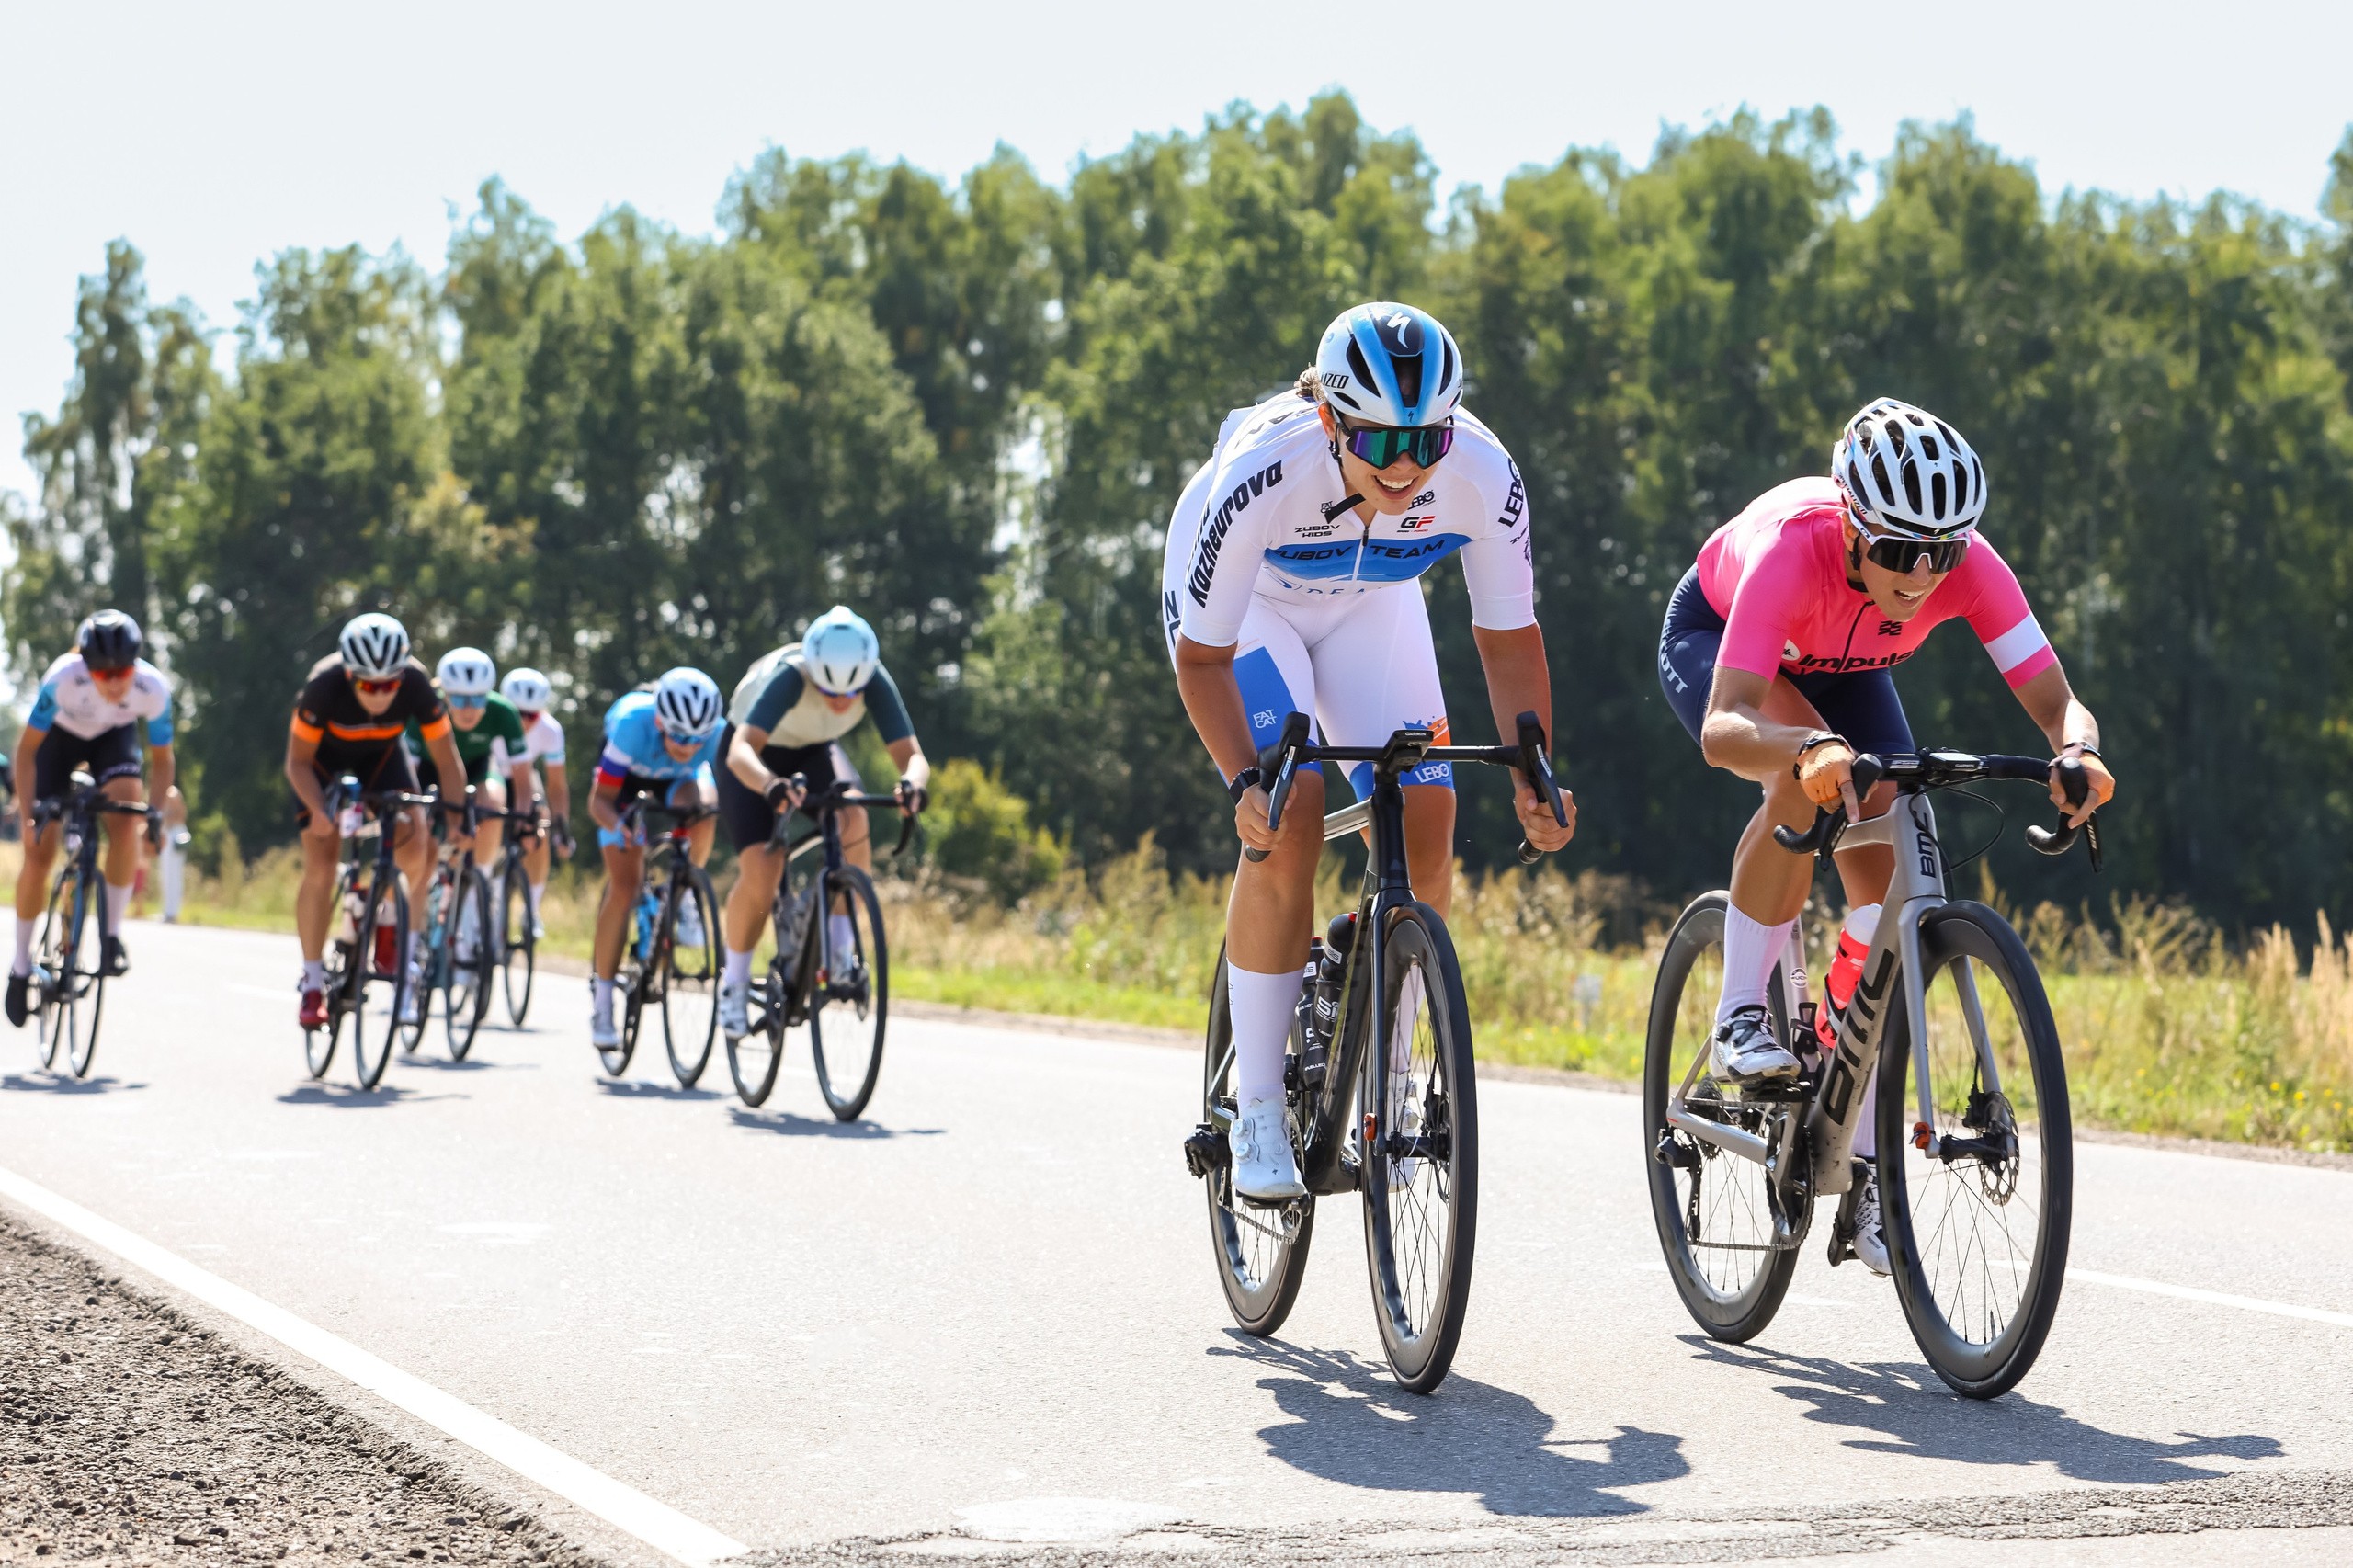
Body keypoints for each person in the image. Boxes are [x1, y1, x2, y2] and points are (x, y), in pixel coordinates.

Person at [1657, 396, 2117, 1274]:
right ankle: (1741, 1015)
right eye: (1903, 552)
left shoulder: (1967, 566)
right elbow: (1726, 727)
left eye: (1940, 555)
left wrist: (2077, 750)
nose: (1922, 575)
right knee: (1807, 792)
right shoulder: (1797, 549)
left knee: (1894, 847)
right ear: (1854, 529)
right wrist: (1807, 746)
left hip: (1851, 669)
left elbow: (2057, 700)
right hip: (1727, 652)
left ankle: (1862, 1152)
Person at [1163, 302, 1575, 1200]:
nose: (1402, 465)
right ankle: (1260, 1105)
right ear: (1329, 421)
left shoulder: (1481, 471)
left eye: (1424, 442)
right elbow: (1201, 658)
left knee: (1428, 822)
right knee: (1292, 814)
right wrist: (1244, 779)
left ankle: (1377, 1065)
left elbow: (1508, 637)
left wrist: (1532, 770)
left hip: (1370, 600)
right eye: (1378, 440)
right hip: (1249, 613)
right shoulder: (1265, 470)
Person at [714, 606, 929, 1039]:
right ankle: (733, 983)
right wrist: (771, 785)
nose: (841, 700)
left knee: (853, 818)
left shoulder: (873, 677)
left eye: (852, 693)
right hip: (753, 759)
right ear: (813, 671)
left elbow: (913, 757)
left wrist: (912, 784)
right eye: (830, 690)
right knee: (764, 871)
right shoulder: (791, 677)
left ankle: (840, 951)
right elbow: (740, 751)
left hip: (813, 751)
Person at [287, 613, 472, 1030]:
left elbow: (447, 761)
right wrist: (318, 811)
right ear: (350, 675)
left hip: (382, 760)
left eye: (389, 684)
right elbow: (296, 762)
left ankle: (384, 914)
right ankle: (313, 981)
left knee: (417, 841)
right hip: (321, 766)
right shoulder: (323, 686)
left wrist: (458, 819)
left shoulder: (418, 685)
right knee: (321, 862)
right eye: (369, 685)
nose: (380, 694)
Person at [6, 611, 174, 1027]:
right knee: (39, 854)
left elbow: (162, 759)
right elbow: (25, 753)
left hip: (112, 743)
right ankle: (19, 965)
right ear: (85, 665)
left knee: (126, 821)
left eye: (123, 671)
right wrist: (29, 819)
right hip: (56, 744)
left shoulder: (151, 688)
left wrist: (153, 816)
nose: (115, 682)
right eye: (103, 673)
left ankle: (112, 934)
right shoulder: (63, 679)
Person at [585, 668, 725, 1049]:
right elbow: (598, 802)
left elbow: (727, 789)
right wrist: (620, 826)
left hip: (677, 783)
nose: (688, 744)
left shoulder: (714, 733)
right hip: (625, 787)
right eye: (679, 735)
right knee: (626, 886)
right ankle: (602, 1002)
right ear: (661, 721)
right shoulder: (633, 724)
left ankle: (683, 893)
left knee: (705, 811)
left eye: (698, 738)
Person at [411, 648, 539, 949]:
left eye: (478, 699)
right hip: (430, 772)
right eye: (459, 699)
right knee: (420, 829)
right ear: (444, 695)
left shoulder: (503, 711)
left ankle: (479, 886)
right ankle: (423, 893)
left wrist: (524, 821)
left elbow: (523, 780)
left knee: (494, 806)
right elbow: (410, 774)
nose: (469, 709)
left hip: (478, 768)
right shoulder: (423, 708)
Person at [499, 667, 574, 939]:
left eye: (532, 715)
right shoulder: (494, 718)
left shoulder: (550, 730)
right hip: (493, 776)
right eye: (517, 713)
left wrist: (561, 828)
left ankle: (531, 909)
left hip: (525, 780)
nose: (525, 721)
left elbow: (556, 785)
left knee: (539, 828)